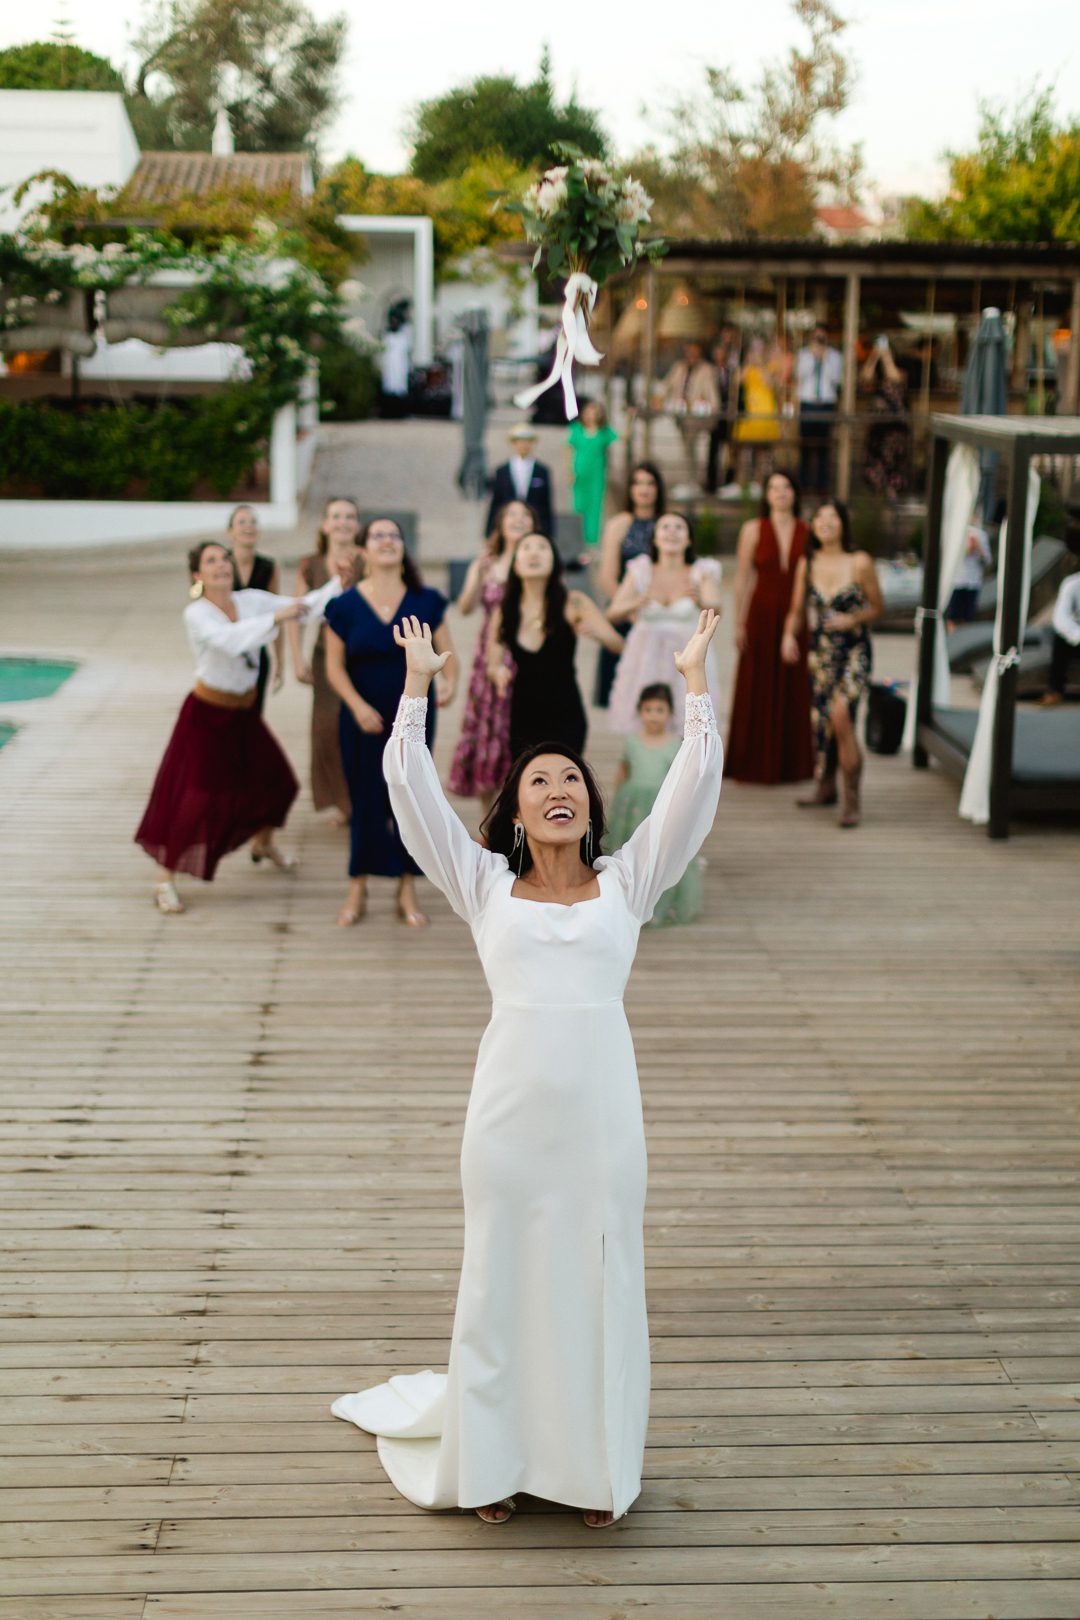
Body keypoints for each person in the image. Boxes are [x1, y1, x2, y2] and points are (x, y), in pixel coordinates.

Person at [331, 608, 723, 1527]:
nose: (560, 788)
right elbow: (411, 792)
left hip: (602, 1120)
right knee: (502, 1279)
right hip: (506, 1121)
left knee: (599, 1282)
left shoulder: (629, 882)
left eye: (573, 781)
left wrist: (696, 681)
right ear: (514, 808)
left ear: (589, 806)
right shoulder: (483, 886)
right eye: (540, 779)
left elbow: (691, 791)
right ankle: (494, 1463)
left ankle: (595, 1470)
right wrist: (418, 688)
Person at [134, 541, 340, 914]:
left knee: (280, 783)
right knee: (197, 798)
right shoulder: (197, 614)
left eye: (224, 559)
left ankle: (262, 844)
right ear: (197, 575)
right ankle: (165, 879)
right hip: (207, 714)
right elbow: (229, 641)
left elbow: (304, 608)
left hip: (243, 714)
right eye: (211, 561)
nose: (222, 565)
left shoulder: (249, 600)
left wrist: (341, 579)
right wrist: (276, 620)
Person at [324, 517, 457, 929]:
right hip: (362, 715)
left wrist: (450, 682)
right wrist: (356, 705)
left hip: (414, 714)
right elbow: (333, 667)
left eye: (394, 535)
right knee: (364, 797)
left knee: (409, 794)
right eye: (377, 535)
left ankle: (406, 885)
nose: (387, 541)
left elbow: (449, 654)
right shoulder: (343, 605)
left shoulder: (426, 599)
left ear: (403, 548)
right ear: (362, 549)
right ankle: (357, 883)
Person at [782, 499, 884, 826]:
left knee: (841, 714)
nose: (826, 522)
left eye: (833, 517)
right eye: (819, 517)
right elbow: (797, 609)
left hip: (854, 650)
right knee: (824, 721)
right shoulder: (807, 564)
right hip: (821, 653)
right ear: (812, 526)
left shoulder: (860, 562)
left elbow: (878, 607)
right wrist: (787, 636)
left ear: (842, 524)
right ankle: (826, 787)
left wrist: (851, 619)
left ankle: (851, 799)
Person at [488, 532, 624, 760]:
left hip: (566, 712)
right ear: (516, 565)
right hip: (523, 712)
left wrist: (600, 635)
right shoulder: (504, 610)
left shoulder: (574, 602)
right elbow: (492, 664)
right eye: (526, 548)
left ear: (554, 562)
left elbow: (618, 645)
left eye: (542, 547)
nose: (534, 553)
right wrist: (498, 672)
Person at [448, 500, 537, 807]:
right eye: (511, 514)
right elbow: (464, 607)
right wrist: (477, 573)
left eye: (525, 515)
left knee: (521, 729)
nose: (518, 520)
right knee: (489, 728)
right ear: (499, 524)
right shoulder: (488, 564)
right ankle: (490, 819)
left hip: (527, 651)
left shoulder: (539, 560)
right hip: (490, 651)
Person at [727, 470, 814, 784]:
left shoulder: (807, 530)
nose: (780, 493)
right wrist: (739, 621)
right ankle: (750, 761)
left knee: (794, 684)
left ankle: (791, 764)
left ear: (795, 493)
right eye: (774, 488)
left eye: (786, 487)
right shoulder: (753, 529)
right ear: (766, 494)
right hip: (761, 614)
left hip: (796, 613)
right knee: (756, 683)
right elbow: (742, 577)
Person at [606, 512, 723, 732]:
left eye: (679, 527)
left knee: (690, 723)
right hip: (645, 657)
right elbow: (613, 612)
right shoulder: (640, 570)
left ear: (688, 539)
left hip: (687, 655)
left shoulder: (702, 571)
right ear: (655, 538)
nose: (671, 532)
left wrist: (702, 599)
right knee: (645, 723)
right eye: (665, 527)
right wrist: (634, 603)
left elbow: (716, 607)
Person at [287, 496, 361, 825]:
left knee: (363, 727)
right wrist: (296, 659)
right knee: (325, 729)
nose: (343, 522)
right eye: (336, 516)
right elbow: (295, 613)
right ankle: (342, 801)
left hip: (363, 657)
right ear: (325, 524)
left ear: (357, 525)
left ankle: (363, 801)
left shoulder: (367, 560)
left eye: (349, 516)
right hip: (322, 657)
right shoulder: (311, 564)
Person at [605, 682, 705, 925]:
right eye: (648, 710)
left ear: (670, 713)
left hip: (661, 807)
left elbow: (682, 779)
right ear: (640, 711)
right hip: (631, 807)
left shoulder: (675, 743)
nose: (653, 716)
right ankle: (629, 900)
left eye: (659, 710)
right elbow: (624, 771)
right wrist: (614, 800)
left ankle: (662, 902)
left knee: (660, 852)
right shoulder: (632, 741)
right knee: (632, 851)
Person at [595, 460, 666, 708]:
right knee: (623, 691)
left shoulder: (667, 524)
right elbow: (606, 576)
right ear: (630, 489)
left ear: (658, 489)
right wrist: (631, 609)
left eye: (650, 483)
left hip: (660, 614)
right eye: (638, 483)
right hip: (624, 613)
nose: (644, 489)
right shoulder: (619, 525)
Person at [227, 505, 280, 714]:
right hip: (229, 649)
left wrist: (280, 662)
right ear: (230, 531)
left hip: (257, 653)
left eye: (253, 522)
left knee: (254, 715)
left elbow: (276, 613)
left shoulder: (267, 567)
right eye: (242, 522)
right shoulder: (220, 565)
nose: (248, 527)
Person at [795, 325, 843, 494]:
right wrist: (814, 358)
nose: (819, 341)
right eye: (816, 338)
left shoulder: (835, 357)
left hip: (826, 404)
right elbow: (800, 376)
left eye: (821, 338)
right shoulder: (803, 355)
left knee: (824, 446)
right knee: (805, 445)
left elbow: (836, 379)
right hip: (807, 404)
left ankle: (821, 485)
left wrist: (824, 358)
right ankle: (803, 483)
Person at [861, 337, 911, 498]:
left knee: (893, 463)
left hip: (895, 429)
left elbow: (895, 377)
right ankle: (877, 496)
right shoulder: (876, 375)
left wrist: (886, 355)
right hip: (878, 428)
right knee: (876, 464)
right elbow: (865, 377)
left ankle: (892, 493)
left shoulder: (900, 370)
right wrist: (875, 355)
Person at [486, 425, 553, 541]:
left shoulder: (542, 471)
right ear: (513, 443)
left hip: (534, 526)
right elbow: (496, 502)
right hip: (507, 526)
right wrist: (489, 531)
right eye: (520, 441)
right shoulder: (502, 471)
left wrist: (549, 533)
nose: (524, 445)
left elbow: (546, 504)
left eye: (528, 441)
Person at [567, 399, 619, 551]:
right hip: (580, 471)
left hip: (597, 473)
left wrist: (630, 419)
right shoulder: (576, 429)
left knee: (595, 505)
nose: (592, 415)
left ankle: (592, 540)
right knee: (578, 504)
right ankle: (576, 537)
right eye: (590, 411)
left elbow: (621, 438)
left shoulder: (604, 432)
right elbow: (568, 448)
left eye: (596, 412)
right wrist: (569, 470)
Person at [731, 338, 781, 490]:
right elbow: (737, 380)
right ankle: (739, 484)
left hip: (765, 412)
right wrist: (748, 364)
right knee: (742, 451)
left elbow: (770, 384)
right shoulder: (747, 368)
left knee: (762, 451)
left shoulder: (772, 367)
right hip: (749, 413)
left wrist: (760, 365)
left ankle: (759, 483)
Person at [1039, 570, 1080, 707]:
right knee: (1060, 640)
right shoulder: (1073, 583)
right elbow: (1060, 617)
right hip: (1077, 636)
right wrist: (1077, 635)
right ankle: (1055, 690)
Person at [705, 329, 739, 494]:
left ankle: (728, 481)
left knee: (730, 450)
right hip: (715, 416)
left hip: (729, 415)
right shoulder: (709, 372)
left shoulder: (732, 371)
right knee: (713, 450)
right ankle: (711, 483)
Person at [945, 521, 992, 631]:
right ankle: (952, 639)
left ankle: (964, 639)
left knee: (968, 616)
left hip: (973, 582)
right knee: (952, 615)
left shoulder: (981, 535)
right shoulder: (956, 533)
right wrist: (967, 549)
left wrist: (978, 547)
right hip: (957, 581)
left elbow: (987, 561)